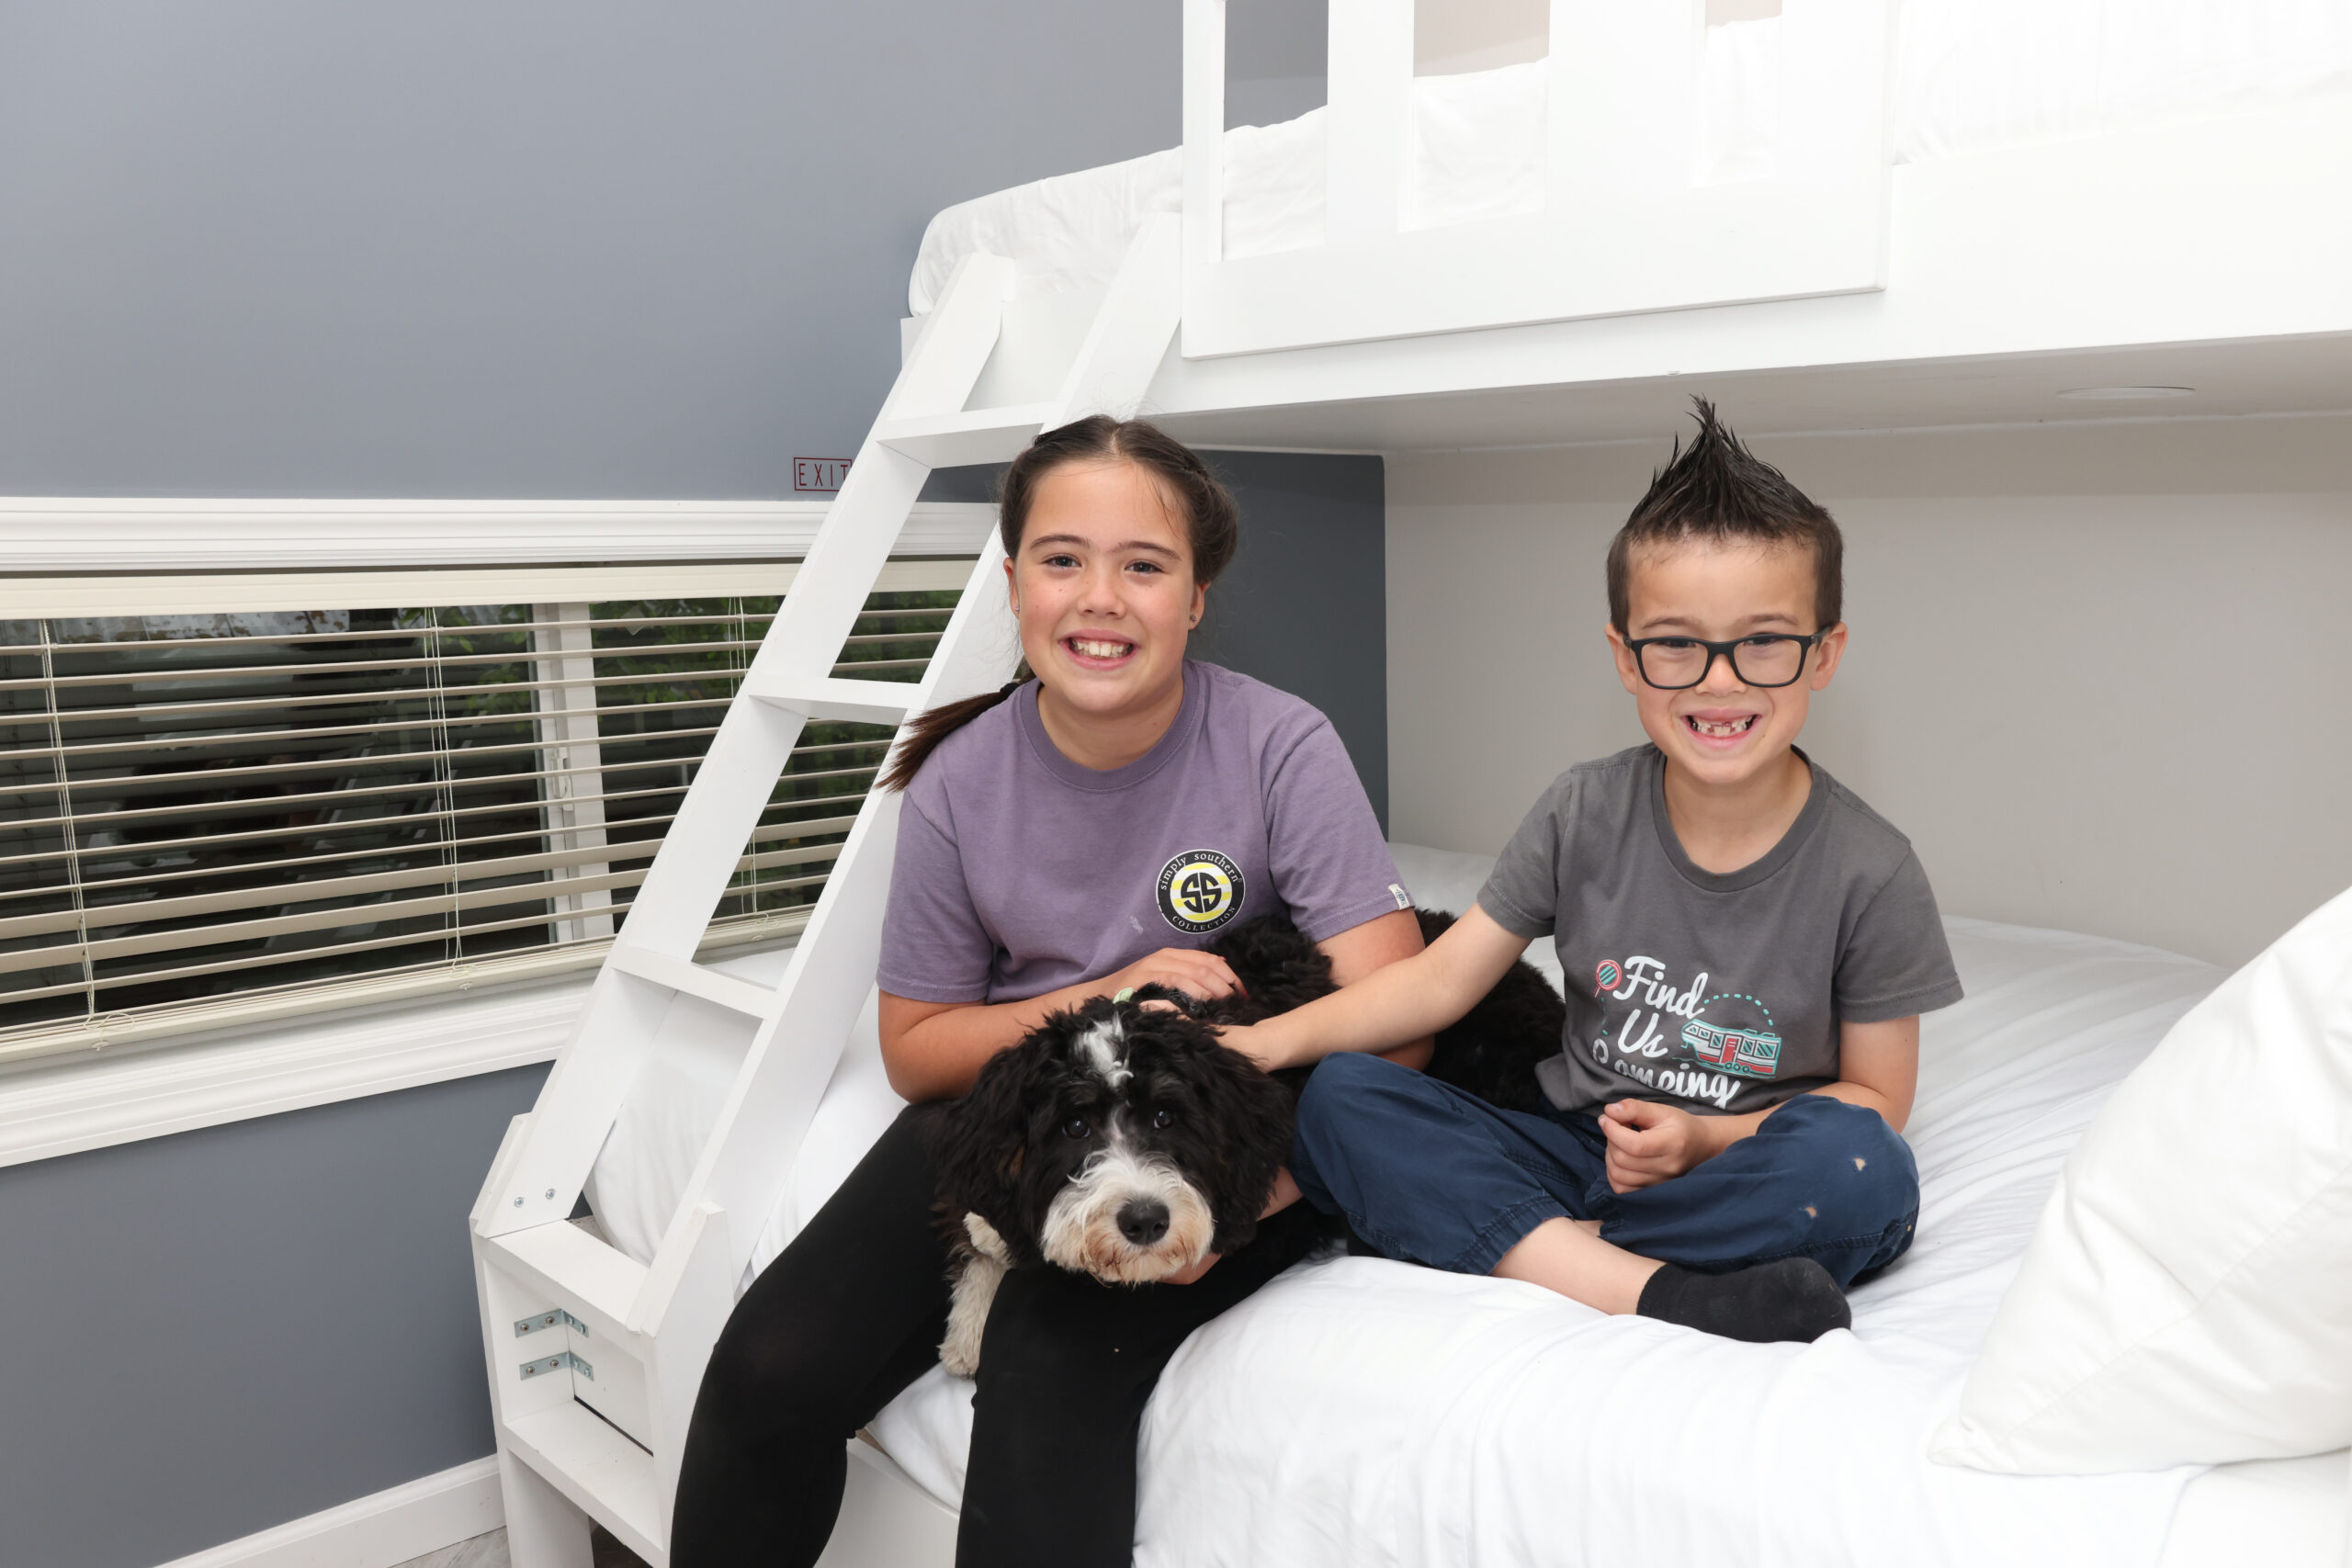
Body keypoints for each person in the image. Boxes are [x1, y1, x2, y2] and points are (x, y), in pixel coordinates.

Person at [668, 416, 1426, 1568]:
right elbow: (918, 1052)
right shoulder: (958, 783)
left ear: (1197, 595)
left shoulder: (1281, 745)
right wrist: (1109, 990)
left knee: (1048, 1352)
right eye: (1063, 558)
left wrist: (1242, 1197)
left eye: (1144, 564)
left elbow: (1399, 1017)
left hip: (1230, 1133)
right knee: (766, 1370)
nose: (1100, 598)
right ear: (1013, 578)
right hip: (1037, 1109)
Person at [1219, 400, 1963, 1346]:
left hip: (1739, 1160)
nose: (1719, 681)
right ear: (1624, 656)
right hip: (1576, 1146)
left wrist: (1702, 1139)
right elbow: (1442, 981)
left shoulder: (1872, 868)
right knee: (1345, 1100)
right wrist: (1265, 1044)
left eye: (1764, 642)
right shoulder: (1583, 810)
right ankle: (1654, 1288)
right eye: (1676, 644)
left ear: (1825, 654)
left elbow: (1875, 1100)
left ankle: (1540, 1252)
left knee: (1862, 1168)